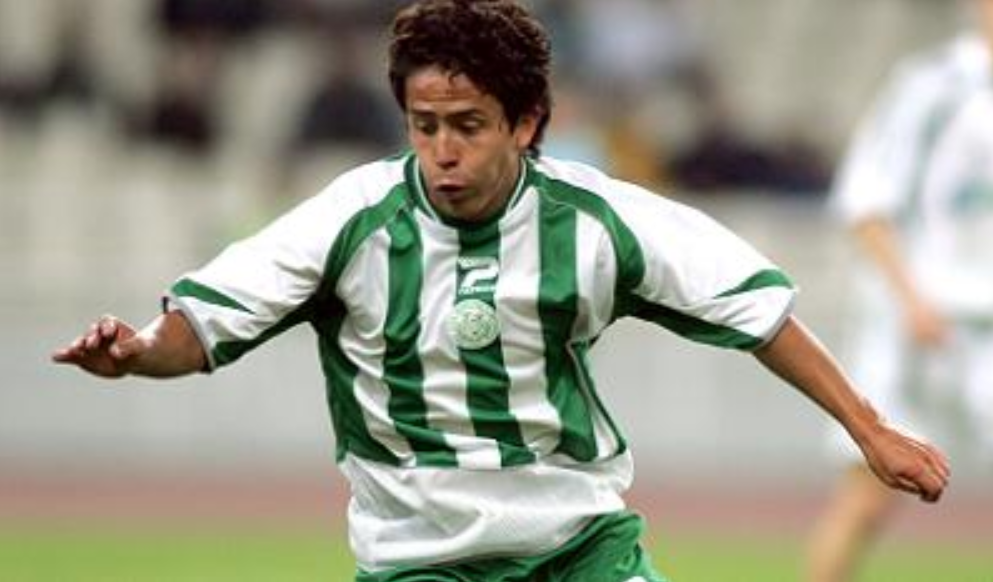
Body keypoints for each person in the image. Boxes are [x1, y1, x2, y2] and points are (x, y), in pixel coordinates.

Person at [52, 1, 950, 580]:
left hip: (577, 545)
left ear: (525, 123)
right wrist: (137, 352)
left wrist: (866, 428)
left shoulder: (596, 219)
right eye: (424, 126)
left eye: (468, 126)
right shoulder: (350, 219)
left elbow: (756, 312)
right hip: (416, 559)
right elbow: (204, 323)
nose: (442, 151)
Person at [805, 2, 993, 581]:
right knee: (869, 494)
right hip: (921, 323)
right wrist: (910, 298)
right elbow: (866, 199)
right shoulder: (934, 85)